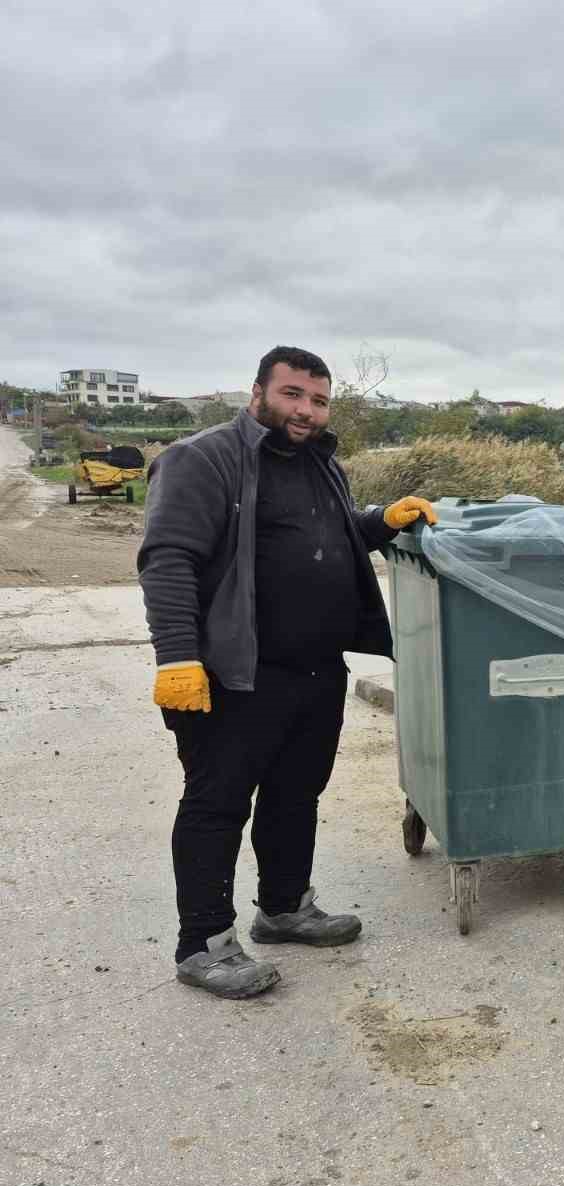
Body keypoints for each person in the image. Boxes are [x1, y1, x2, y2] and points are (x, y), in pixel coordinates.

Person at [138, 345, 438, 999]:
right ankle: (204, 944)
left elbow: (325, 539)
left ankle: (283, 909)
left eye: (319, 399)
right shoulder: (205, 459)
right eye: (293, 395)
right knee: (216, 806)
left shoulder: (318, 465)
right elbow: (167, 559)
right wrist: (178, 658)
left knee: (295, 795)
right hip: (234, 675)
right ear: (258, 393)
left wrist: (380, 523)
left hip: (313, 671)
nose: (306, 410)